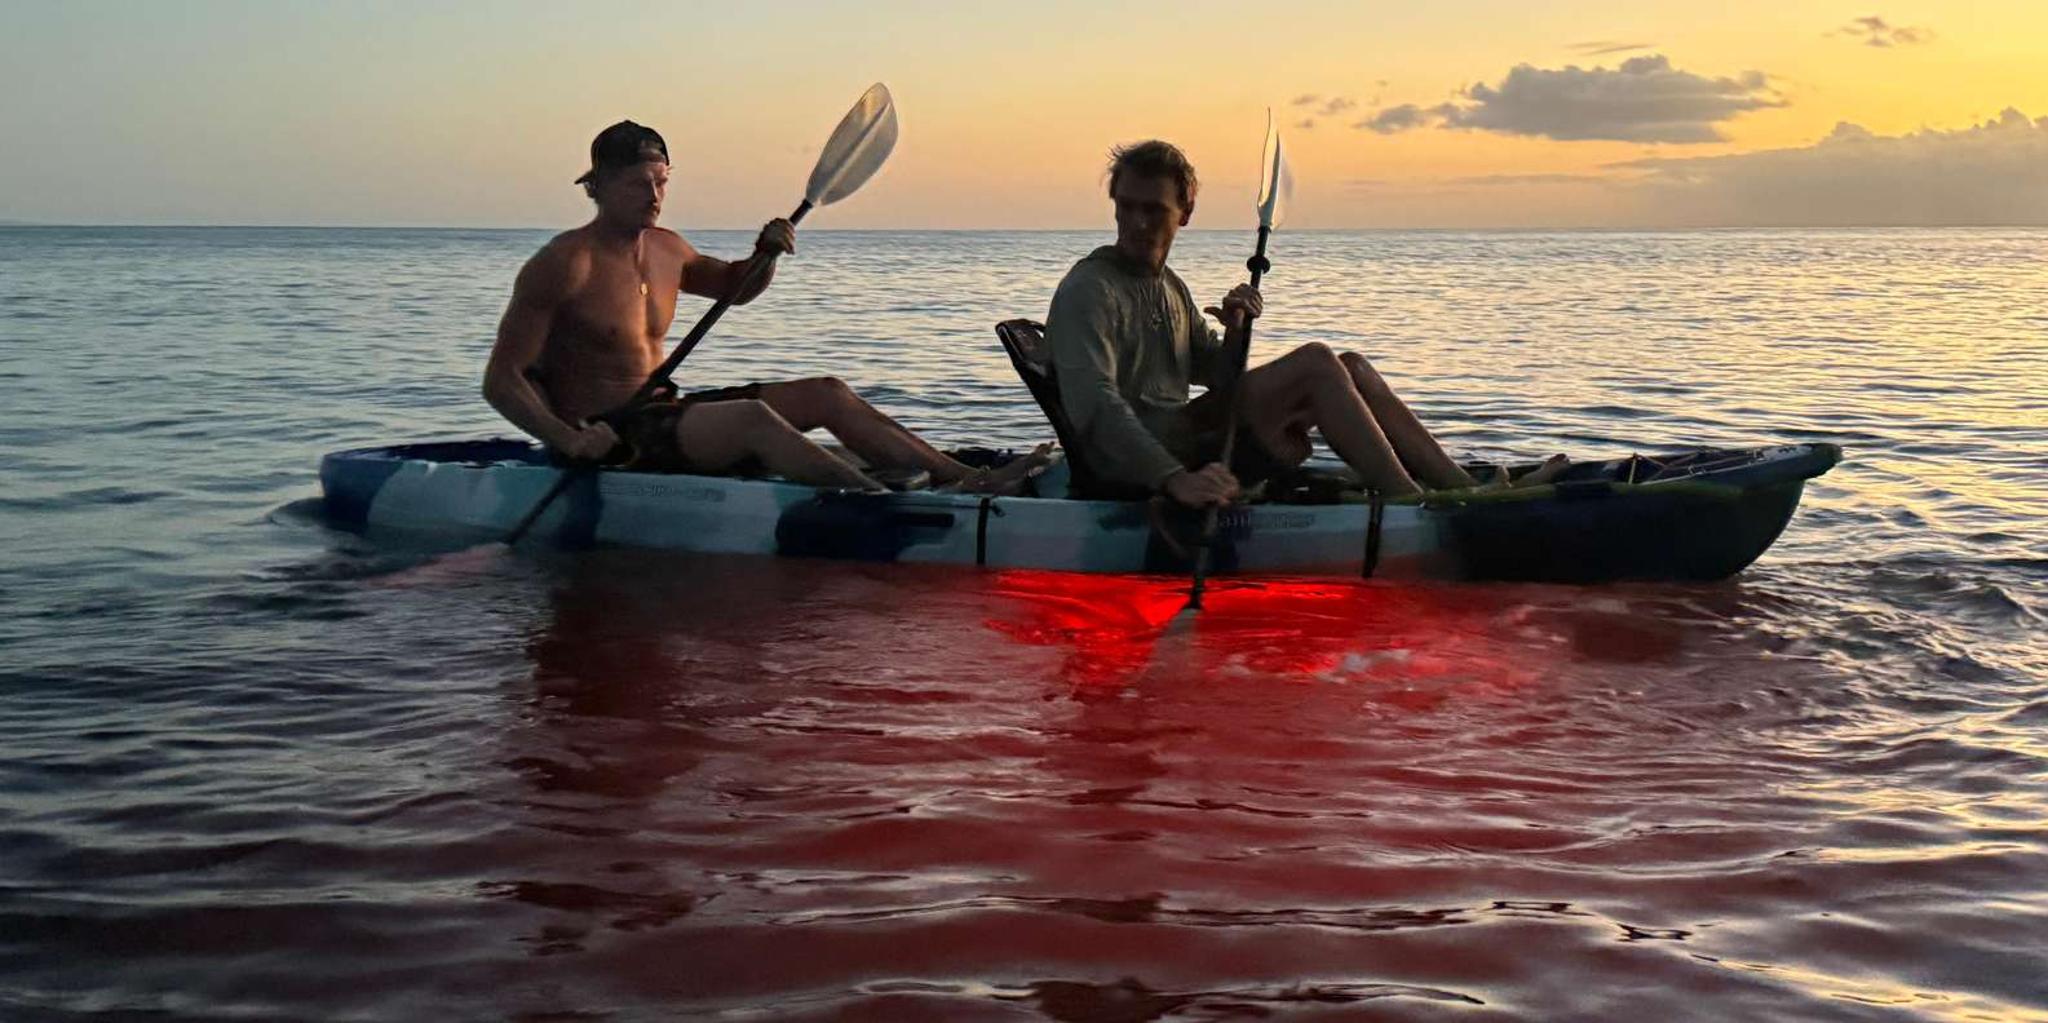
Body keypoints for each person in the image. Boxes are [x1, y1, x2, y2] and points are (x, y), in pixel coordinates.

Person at [484, 120, 1048, 493]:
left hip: (664, 412)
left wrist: (765, 253)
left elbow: (737, 287)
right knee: (753, 420)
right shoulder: (565, 262)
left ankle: (968, 479)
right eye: (638, 183)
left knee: (827, 391)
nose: (654, 196)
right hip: (613, 436)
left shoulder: (667, 248)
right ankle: (883, 505)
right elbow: (502, 381)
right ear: (599, 185)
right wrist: (570, 440)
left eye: (661, 181)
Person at [1044, 139, 1566, 507]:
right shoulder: (1090, 290)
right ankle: (1418, 504)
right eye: (1126, 206)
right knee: (1315, 364)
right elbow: (1095, 409)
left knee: (1351, 367)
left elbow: (1218, 375)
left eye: (1153, 210)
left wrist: (1235, 331)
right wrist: (1176, 480)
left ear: (1186, 212)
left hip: (1189, 436)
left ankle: (1458, 486)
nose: (1136, 223)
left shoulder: (1169, 287)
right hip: (1144, 461)